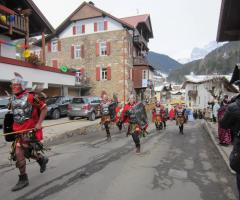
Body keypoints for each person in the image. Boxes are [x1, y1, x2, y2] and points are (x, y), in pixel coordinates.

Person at [7, 73, 48, 191]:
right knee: (25, 152)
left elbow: (44, 108)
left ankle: (23, 178)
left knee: (20, 152)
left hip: (30, 131)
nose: (14, 87)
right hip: (18, 132)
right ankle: (41, 159)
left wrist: (39, 123)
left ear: (22, 86)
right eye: (12, 85)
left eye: (16, 85)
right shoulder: (13, 98)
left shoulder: (30, 97)